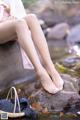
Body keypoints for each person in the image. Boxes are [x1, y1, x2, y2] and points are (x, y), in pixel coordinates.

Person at [0, 0, 64, 94]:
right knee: (20, 23)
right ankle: (40, 72)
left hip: (8, 24)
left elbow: (16, 10)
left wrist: (9, 12)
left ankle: (50, 67)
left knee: (32, 18)